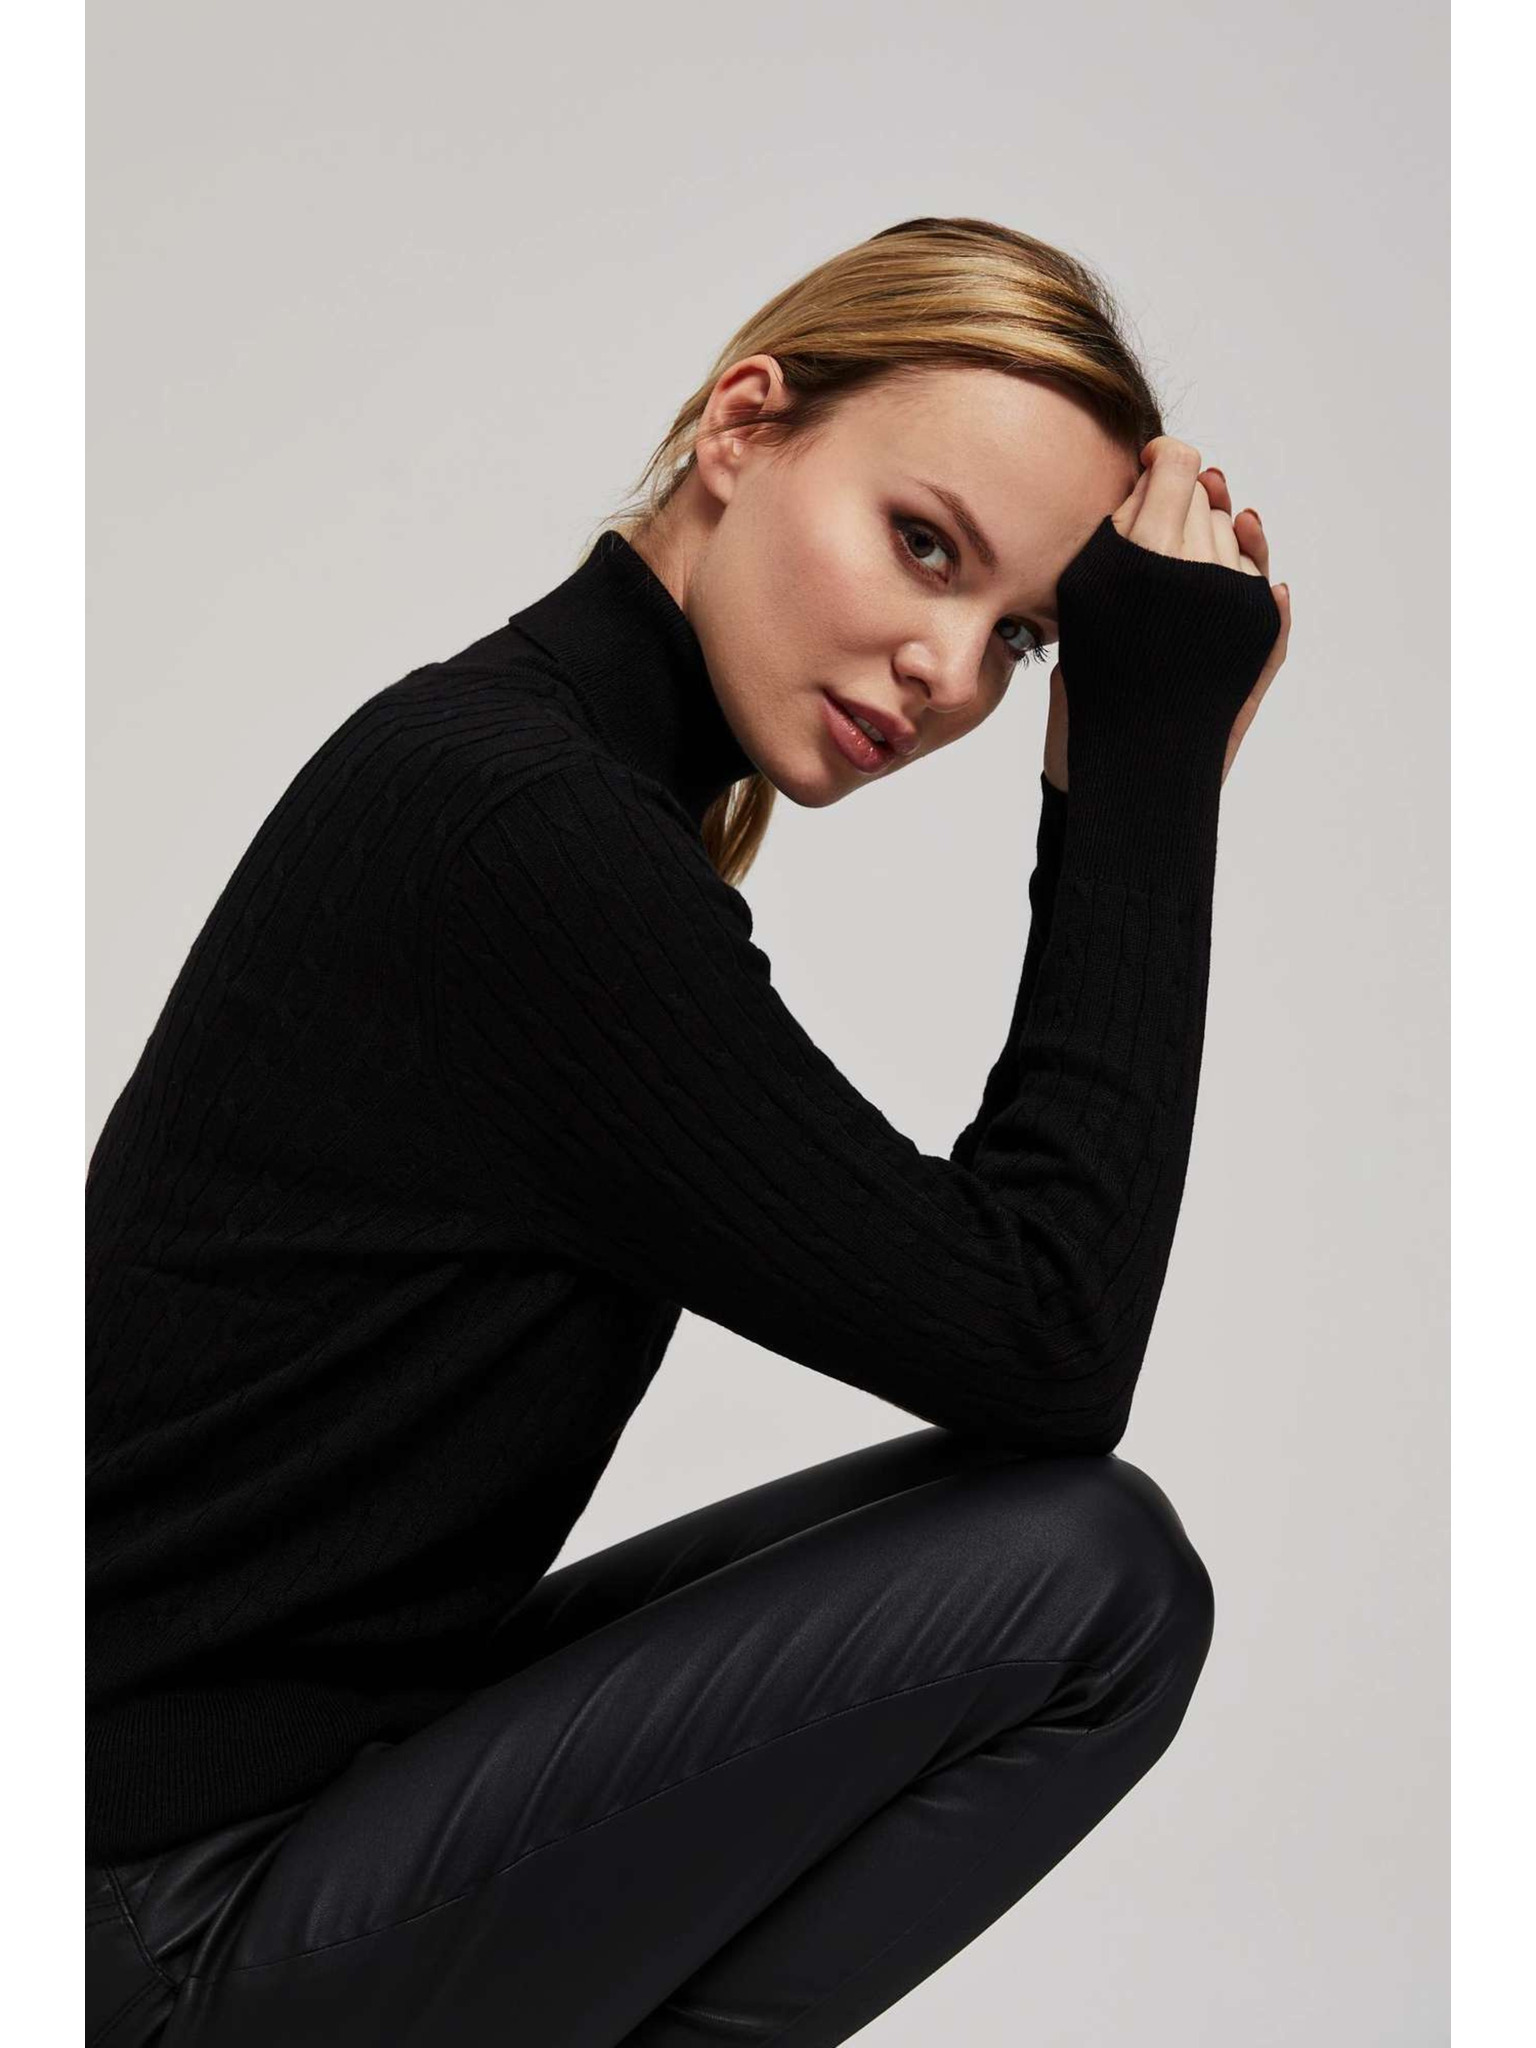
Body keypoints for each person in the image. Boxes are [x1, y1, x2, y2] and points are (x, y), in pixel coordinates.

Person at [86, 215, 1291, 2046]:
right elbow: (1049, 1336)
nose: (948, 671)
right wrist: (1141, 779)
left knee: (1042, 1539)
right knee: (1093, 1585)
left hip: (211, 1841)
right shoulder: (520, 838)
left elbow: (1025, 1358)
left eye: (1025, 640)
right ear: (744, 426)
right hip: (135, 1920)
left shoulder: (530, 781)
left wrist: (1130, 749)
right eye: (925, 544)